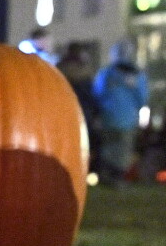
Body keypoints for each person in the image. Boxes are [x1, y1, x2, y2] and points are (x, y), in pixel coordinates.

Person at [92, 41, 147, 186]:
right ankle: (113, 177)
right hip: (119, 119)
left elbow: (98, 94)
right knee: (117, 149)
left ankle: (112, 177)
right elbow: (142, 99)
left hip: (115, 118)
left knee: (115, 149)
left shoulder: (109, 74)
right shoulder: (111, 74)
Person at [56, 43, 101, 179]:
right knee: (83, 145)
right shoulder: (84, 72)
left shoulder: (59, 69)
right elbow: (90, 96)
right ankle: (80, 171)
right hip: (82, 112)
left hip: (64, 112)